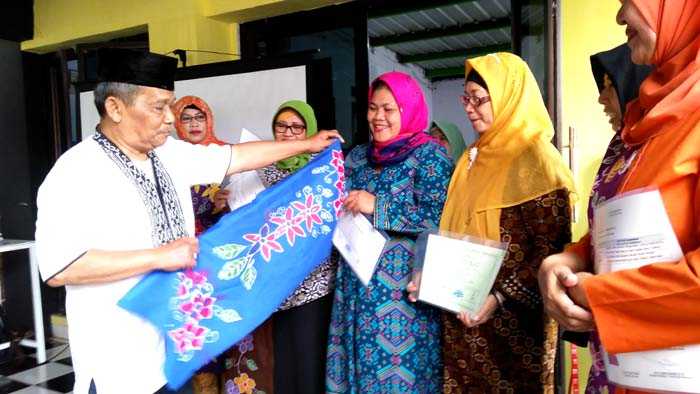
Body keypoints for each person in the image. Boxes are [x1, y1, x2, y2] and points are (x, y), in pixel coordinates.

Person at [34, 48, 341, 394]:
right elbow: (61, 267)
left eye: (170, 105)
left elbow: (237, 157)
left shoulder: (168, 153)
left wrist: (307, 145)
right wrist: (159, 257)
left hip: (174, 350)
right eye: (158, 106)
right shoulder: (75, 171)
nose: (170, 118)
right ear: (115, 108)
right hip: (118, 365)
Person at [538, 1, 700, 393]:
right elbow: (620, 225)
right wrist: (570, 257)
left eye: (630, 1)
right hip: (616, 372)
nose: (619, 16)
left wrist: (596, 295)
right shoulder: (643, 123)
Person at [436, 53, 575, 393]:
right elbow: (454, 231)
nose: (469, 108)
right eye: (466, 99)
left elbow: (551, 251)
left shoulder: (537, 159)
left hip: (513, 323)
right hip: (464, 315)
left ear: (509, 97)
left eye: (479, 100)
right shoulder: (472, 158)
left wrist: (498, 297)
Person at [325, 71, 453, 393]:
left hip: (402, 297)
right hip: (355, 286)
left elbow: (438, 218)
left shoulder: (430, 156)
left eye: (388, 109)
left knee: (399, 379)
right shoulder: (356, 158)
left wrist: (377, 206)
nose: (378, 117)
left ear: (407, 111)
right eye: (372, 107)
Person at [220, 100, 337, 394]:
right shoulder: (261, 168)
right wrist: (227, 206)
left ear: (308, 130)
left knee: (310, 366)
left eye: (297, 127)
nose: (288, 133)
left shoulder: (322, 168)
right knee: (282, 367)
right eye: (281, 126)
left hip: (314, 284)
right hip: (278, 286)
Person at [559, 43, 651, 392]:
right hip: (606, 326)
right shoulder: (619, 148)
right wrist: (572, 257)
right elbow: (603, 229)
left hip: (650, 331)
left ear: (636, 81)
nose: (601, 99)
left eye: (609, 86)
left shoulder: (665, 145)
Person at [172, 95, 230, 393]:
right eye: (186, 118)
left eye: (199, 118)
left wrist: (222, 208)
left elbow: (246, 209)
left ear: (209, 120)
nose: (194, 124)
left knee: (227, 331)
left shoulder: (226, 157)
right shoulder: (168, 160)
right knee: (198, 335)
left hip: (224, 259)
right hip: (187, 263)